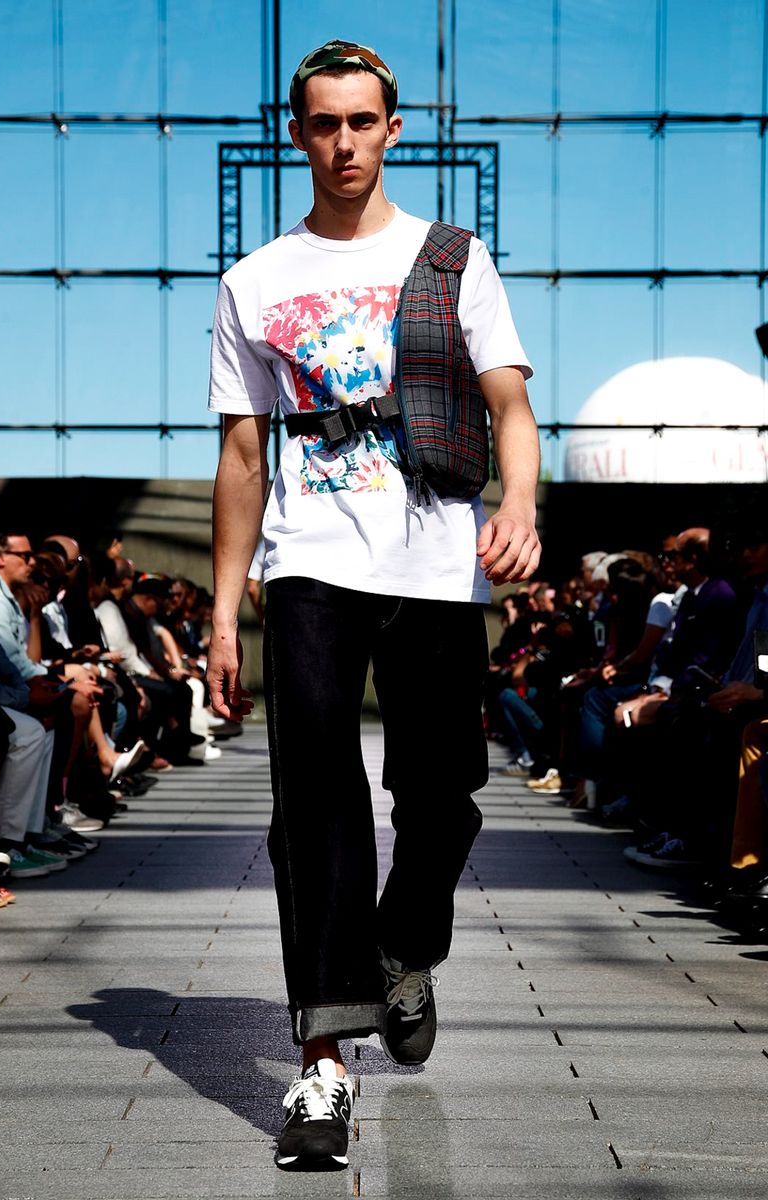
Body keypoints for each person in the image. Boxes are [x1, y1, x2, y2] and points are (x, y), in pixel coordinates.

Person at [206, 39, 540, 1170]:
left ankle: (405, 945)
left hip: (438, 561)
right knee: (313, 800)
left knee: (440, 795)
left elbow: (509, 405)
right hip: (308, 562)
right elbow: (242, 455)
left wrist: (520, 504)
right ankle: (323, 1064)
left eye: (361, 122)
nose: (343, 143)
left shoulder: (452, 259)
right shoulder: (255, 281)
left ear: (393, 130)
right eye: (323, 123)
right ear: (296, 133)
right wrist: (223, 611)